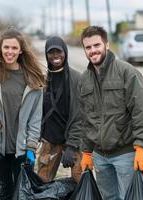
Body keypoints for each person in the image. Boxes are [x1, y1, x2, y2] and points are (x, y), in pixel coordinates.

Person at [79, 26, 143, 200]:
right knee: (108, 198)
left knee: (131, 197)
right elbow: (85, 118)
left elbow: (141, 109)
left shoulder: (126, 72)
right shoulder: (84, 79)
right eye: (88, 47)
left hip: (125, 154)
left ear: (107, 44)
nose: (93, 50)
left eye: (97, 45)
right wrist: (87, 151)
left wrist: (141, 146)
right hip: (99, 157)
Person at [0, 27, 45, 200]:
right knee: (5, 192)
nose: (10, 51)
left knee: (23, 193)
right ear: (0, 48)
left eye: (14, 48)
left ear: (21, 50)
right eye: (6, 47)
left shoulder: (32, 79)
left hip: (22, 148)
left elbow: (35, 119)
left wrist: (31, 147)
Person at [37, 36, 83, 183]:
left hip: (74, 140)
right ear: (46, 55)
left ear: (65, 52)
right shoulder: (43, 80)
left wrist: (72, 146)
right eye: (51, 52)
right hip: (50, 141)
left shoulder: (77, 79)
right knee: (42, 183)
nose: (56, 55)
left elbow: (80, 115)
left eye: (59, 51)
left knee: (80, 182)